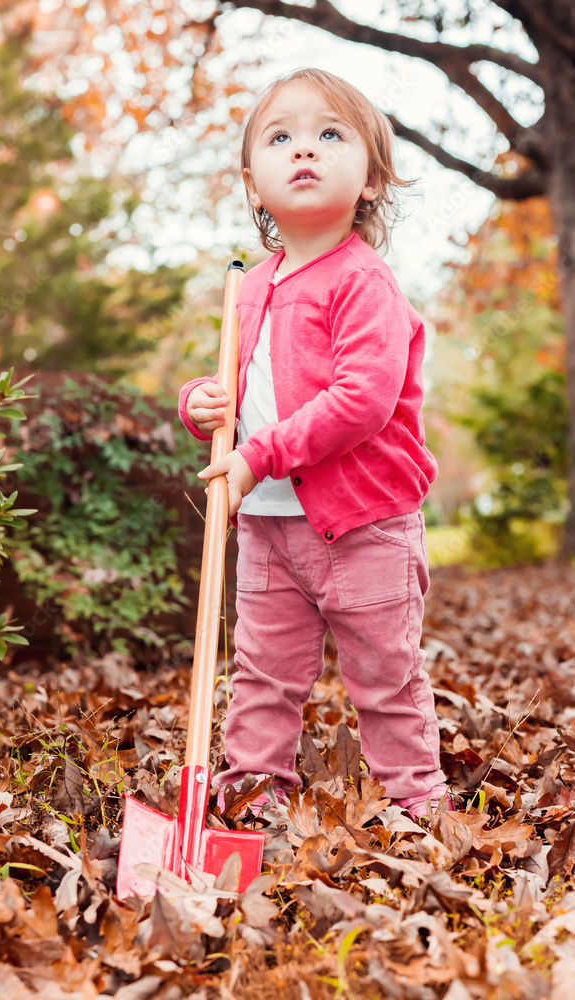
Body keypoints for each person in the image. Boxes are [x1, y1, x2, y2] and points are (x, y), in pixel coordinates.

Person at [177, 67, 453, 820]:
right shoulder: (251, 285)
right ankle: (251, 798)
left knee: (383, 672)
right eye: (281, 137)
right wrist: (202, 402)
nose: (304, 149)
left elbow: (359, 400)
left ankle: (415, 802)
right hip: (267, 525)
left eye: (330, 134)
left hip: (363, 524)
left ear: (369, 180)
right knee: (262, 673)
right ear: (251, 183)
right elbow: (243, 388)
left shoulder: (364, 283)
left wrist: (255, 456)